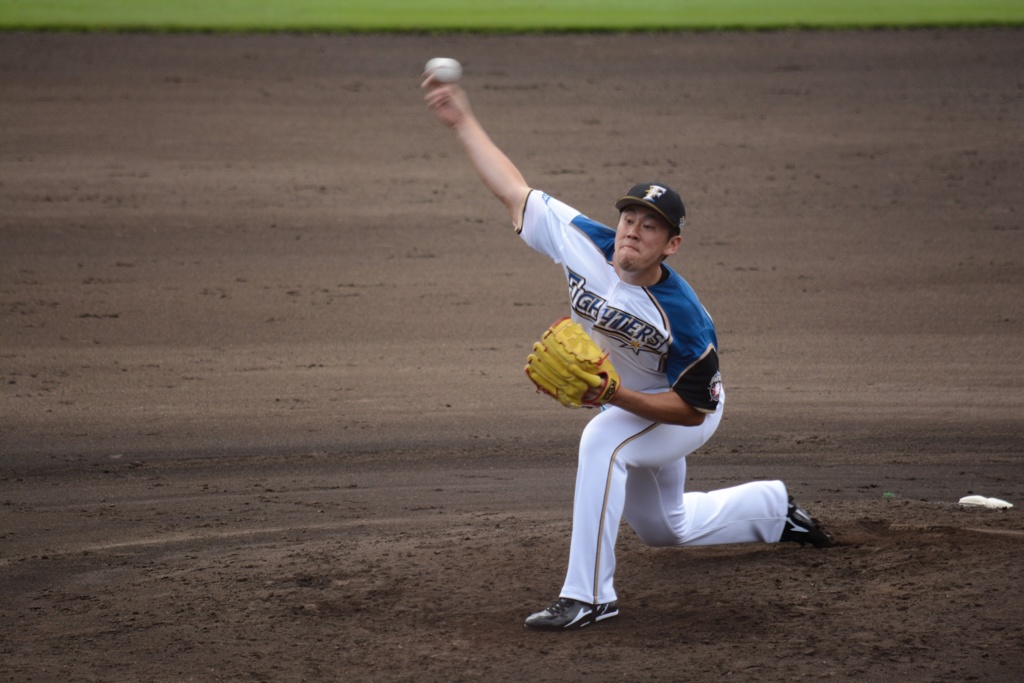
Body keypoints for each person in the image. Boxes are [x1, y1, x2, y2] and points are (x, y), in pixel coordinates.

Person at [422, 72, 835, 632]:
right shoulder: (586, 241)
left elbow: (694, 409)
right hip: (630, 400)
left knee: (602, 443)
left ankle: (589, 596)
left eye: (650, 228)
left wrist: (618, 396)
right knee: (665, 528)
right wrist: (462, 120)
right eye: (629, 220)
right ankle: (773, 510)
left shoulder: (683, 317)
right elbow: (512, 190)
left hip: (684, 411)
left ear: (672, 245)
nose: (632, 233)